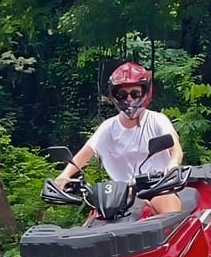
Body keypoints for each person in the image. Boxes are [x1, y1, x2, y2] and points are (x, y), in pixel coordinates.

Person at [54, 62, 184, 214]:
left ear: (144, 93)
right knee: (93, 224)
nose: (129, 99)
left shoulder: (157, 120)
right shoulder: (108, 128)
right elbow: (85, 154)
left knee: (168, 213)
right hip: (118, 197)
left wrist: (173, 163)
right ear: (114, 96)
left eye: (135, 94)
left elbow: (176, 148)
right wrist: (64, 175)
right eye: (122, 95)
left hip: (158, 188)